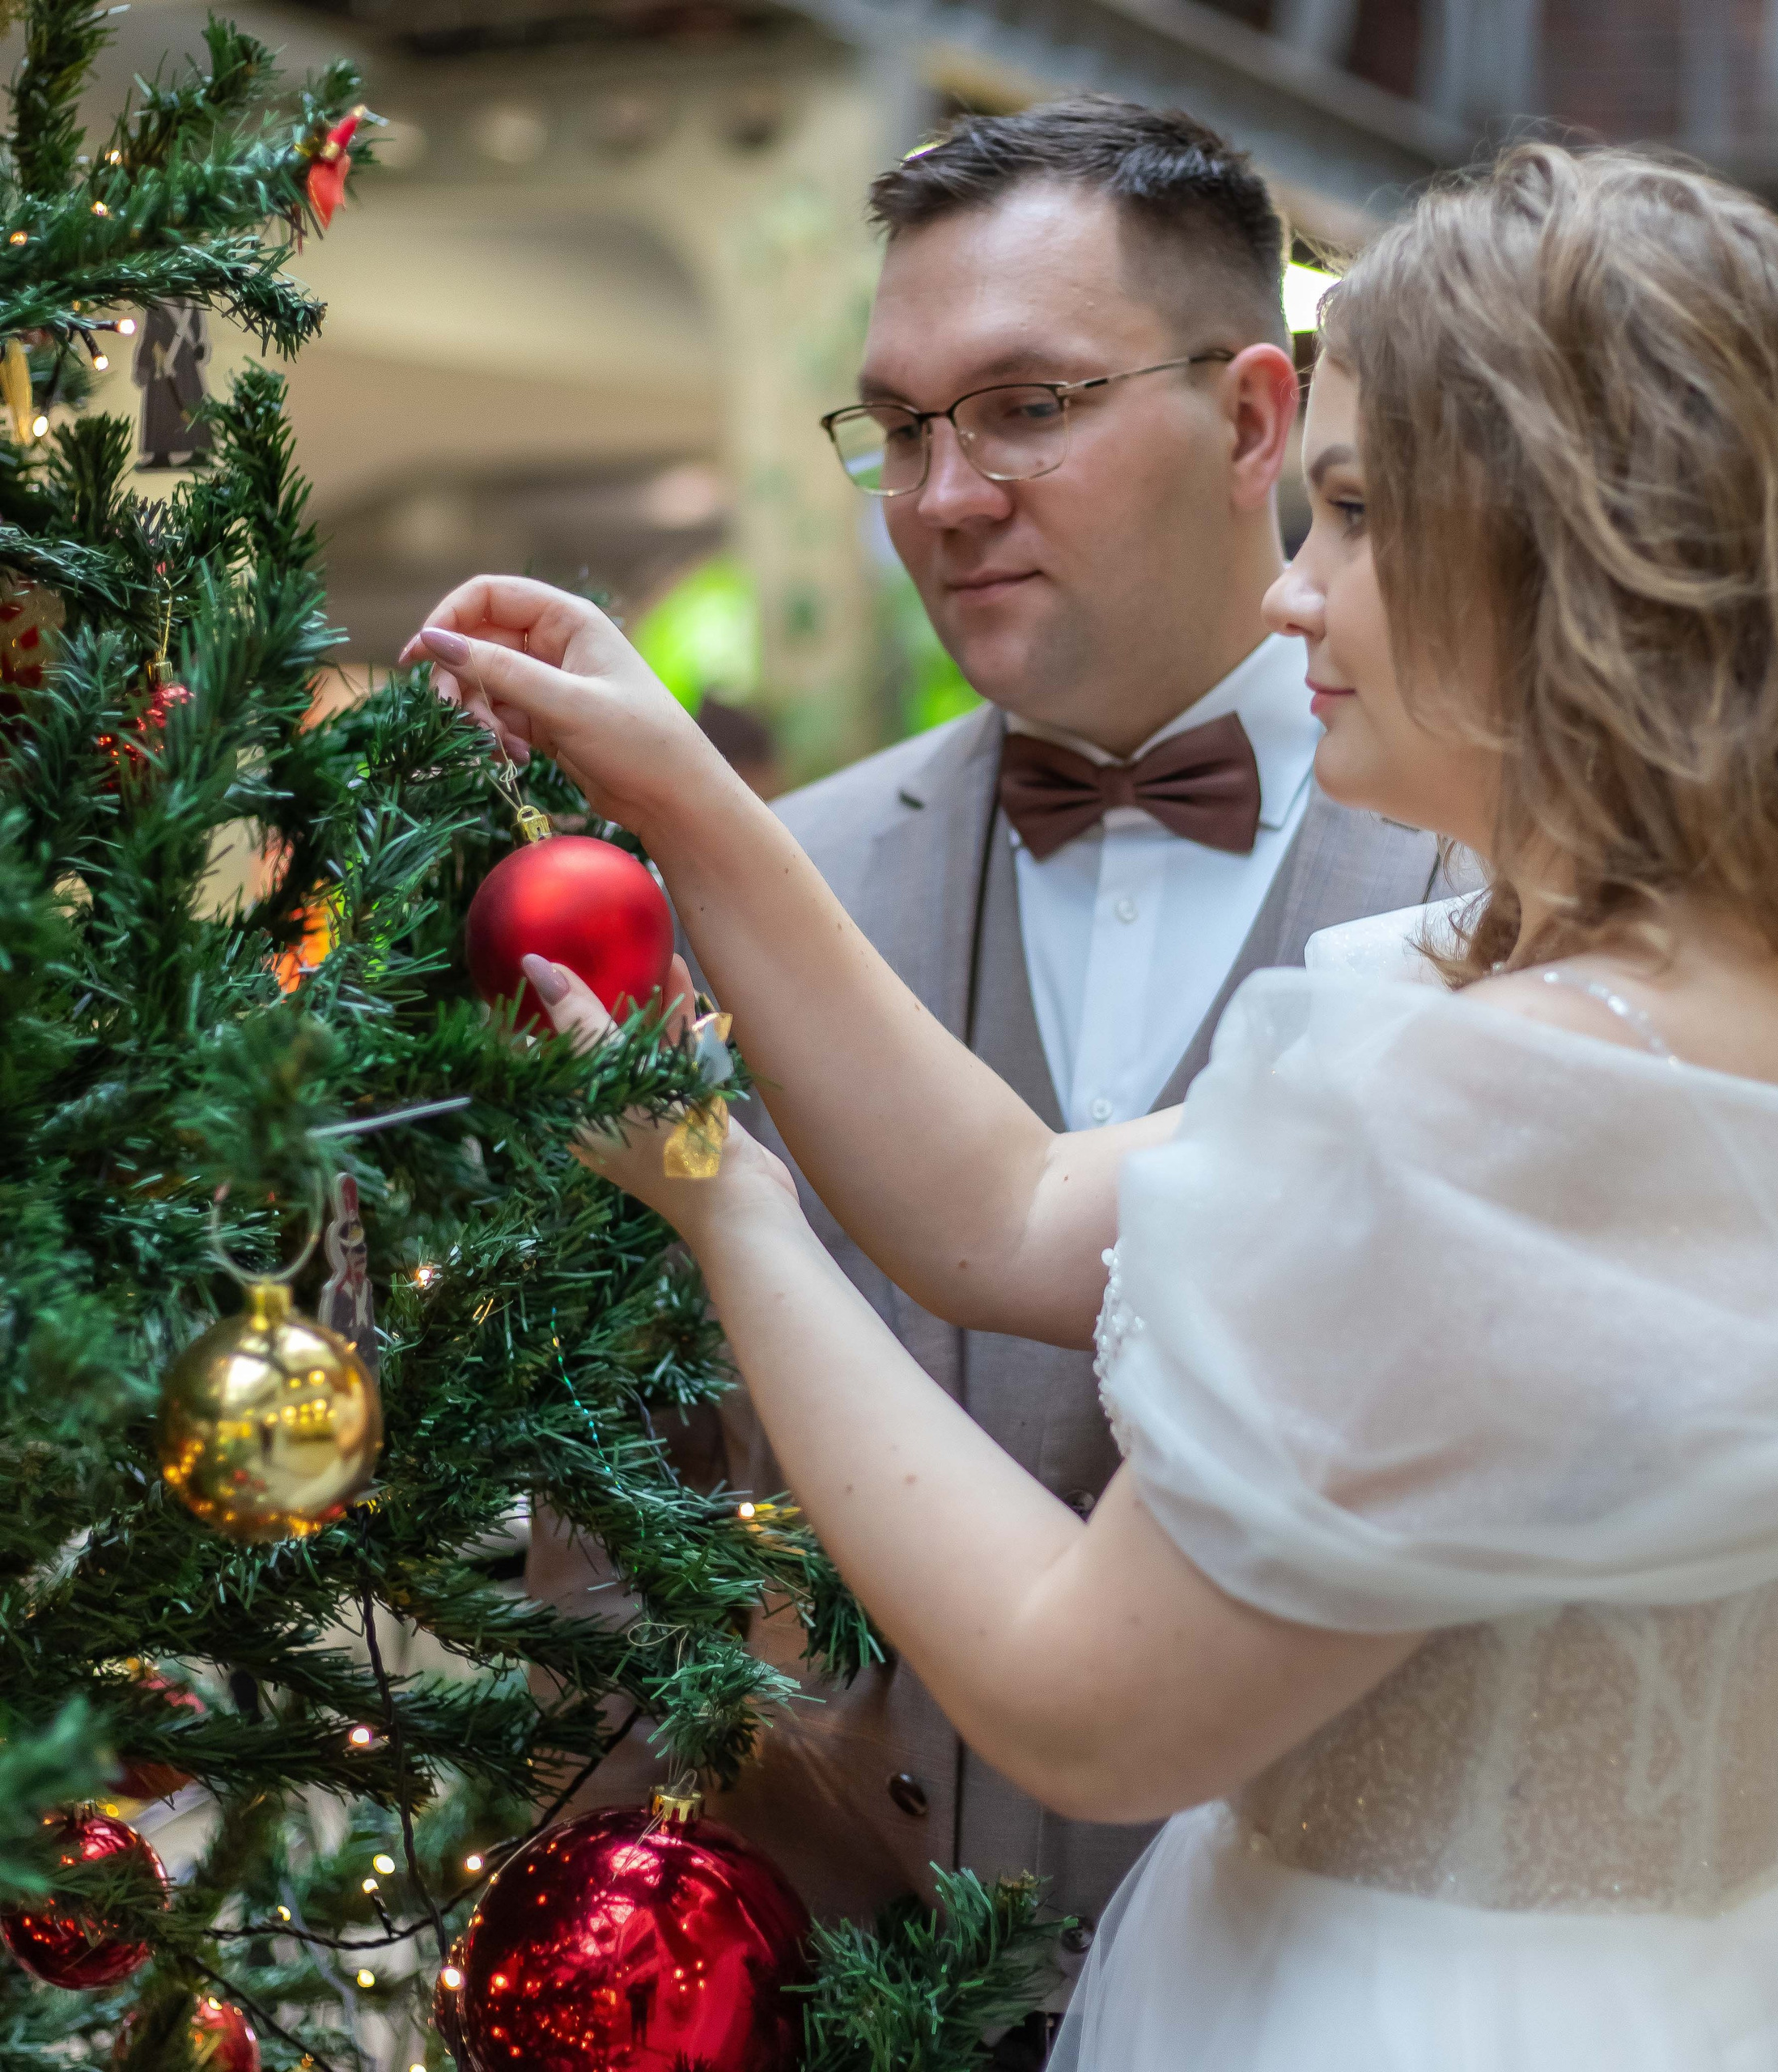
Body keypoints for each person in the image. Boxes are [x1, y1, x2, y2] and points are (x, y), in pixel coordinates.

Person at [410, 139, 1778, 2066]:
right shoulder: (1720, 981)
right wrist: (684, 791)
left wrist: (720, 1195)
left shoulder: (1512, 1099)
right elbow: (1002, 1210)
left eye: (1345, 512)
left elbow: (1086, 1705)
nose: (1293, 592)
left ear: (1547, 541)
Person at [524, 96, 1453, 1993]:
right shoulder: (773, 881)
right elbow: (620, 1487)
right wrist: (660, 1936)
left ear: (1254, 420)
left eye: (1028, 406)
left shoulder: (1508, 882)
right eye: (899, 425)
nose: (943, 495)